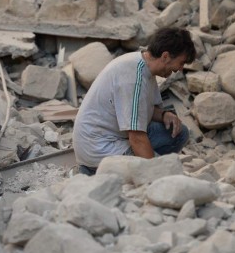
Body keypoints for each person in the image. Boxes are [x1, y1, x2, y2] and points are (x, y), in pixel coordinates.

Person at [72, 27, 197, 176]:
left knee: (179, 133)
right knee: (163, 174)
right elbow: (136, 137)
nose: (179, 69)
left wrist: (164, 115)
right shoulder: (133, 78)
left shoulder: (144, 66)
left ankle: (137, 169)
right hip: (100, 147)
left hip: (116, 136)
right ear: (165, 56)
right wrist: (154, 172)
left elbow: (141, 110)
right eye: (180, 63)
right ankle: (99, 171)